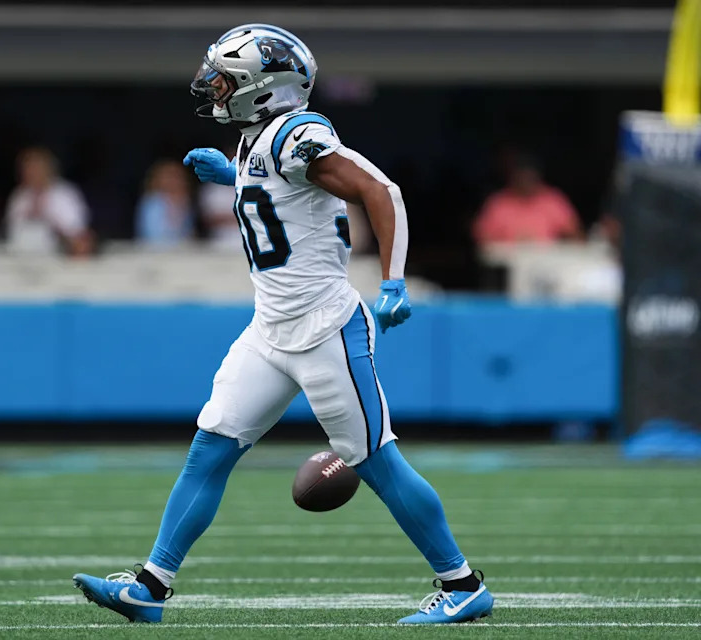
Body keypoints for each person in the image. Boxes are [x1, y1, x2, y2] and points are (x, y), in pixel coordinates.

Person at [72, 24, 493, 625]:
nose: (213, 86)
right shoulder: (258, 141)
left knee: (377, 461)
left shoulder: (300, 133)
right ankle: (150, 587)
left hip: (326, 330)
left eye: (226, 77)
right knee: (209, 450)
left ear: (262, 87)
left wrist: (393, 279)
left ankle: (463, 585)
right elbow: (285, 198)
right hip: (270, 331)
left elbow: (382, 191)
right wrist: (237, 177)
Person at [473, 153, 582, 246]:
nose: (525, 182)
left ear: (537, 177)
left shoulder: (552, 199)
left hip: (548, 261)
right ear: (512, 178)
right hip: (507, 263)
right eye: (521, 177)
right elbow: (481, 239)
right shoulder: (498, 202)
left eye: (529, 177)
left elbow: (575, 235)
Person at [5, 147, 93, 256]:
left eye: (35, 167)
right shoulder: (19, 196)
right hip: (20, 259)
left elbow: (79, 234)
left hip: (57, 260)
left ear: (48, 168)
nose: (30, 172)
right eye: (26, 168)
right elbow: (11, 230)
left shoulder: (66, 194)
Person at [136, 159, 195, 245]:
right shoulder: (152, 201)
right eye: (170, 177)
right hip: (155, 250)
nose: (174, 181)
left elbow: (188, 231)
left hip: (181, 250)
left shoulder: (185, 201)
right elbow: (151, 233)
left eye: (177, 177)